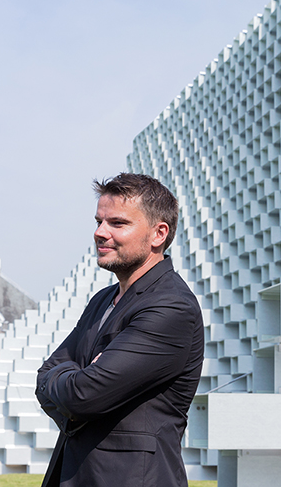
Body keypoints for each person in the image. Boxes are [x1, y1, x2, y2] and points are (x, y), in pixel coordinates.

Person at [36, 173, 204, 487]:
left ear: (158, 234)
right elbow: (45, 376)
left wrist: (72, 382)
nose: (100, 233)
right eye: (99, 221)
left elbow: (82, 396)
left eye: (117, 223)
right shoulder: (102, 300)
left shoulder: (171, 307)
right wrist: (72, 378)